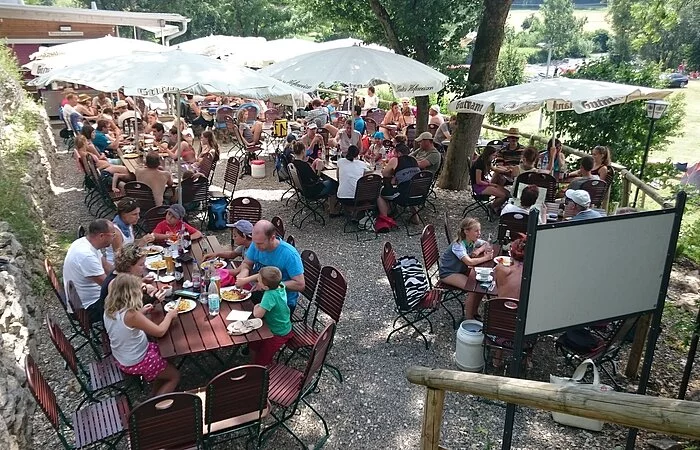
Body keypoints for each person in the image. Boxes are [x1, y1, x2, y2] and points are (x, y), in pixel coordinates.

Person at [103, 273, 180, 395]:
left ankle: (157, 387)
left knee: (169, 352)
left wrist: (141, 312)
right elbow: (160, 332)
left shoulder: (109, 309)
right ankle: (155, 408)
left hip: (123, 356)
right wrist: (170, 316)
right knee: (174, 376)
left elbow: (124, 325)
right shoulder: (132, 315)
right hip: (137, 359)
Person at [232, 220, 305, 312]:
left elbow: (300, 284)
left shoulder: (289, 254)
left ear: (272, 238)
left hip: (281, 302)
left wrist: (269, 285)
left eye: (260, 244)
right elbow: (246, 263)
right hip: (261, 292)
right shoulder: (256, 244)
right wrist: (244, 273)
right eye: (255, 242)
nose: (256, 247)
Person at [235, 266, 294, 366]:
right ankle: (253, 363)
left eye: (259, 281)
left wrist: (257, 306)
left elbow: (257, 314)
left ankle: (261, 370)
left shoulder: (269, 295)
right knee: (253, 343)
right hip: (279, 323)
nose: (257, 282)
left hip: (277, 331)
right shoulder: (280, 285)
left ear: (266, 287)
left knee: (263, 357)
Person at [439, 217, 494, 319]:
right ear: (466, 232)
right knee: (472, 289)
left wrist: (477, 251)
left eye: (479, 230)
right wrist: (486, 258)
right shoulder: (458, 245)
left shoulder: (472, 240)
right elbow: (469, 262)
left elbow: (486, 243)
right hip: (448, 273)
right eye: (476, 231)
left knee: (481, 285)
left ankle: (474, 311)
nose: (479, 233)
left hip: (460, 270)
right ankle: (469, 318)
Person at [62, 219, 115, 322]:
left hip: (87, 300)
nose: (114, 237)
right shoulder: (86, 255)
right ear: (101, 236)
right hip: (87, 309)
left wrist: (127, 274)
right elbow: (109, 286)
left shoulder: (86, 243)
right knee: (130, 300)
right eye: (112, 234)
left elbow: (107, 266)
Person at [105, 198, 156, 265]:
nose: (138, 217)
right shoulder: (116, 232)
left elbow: (130, 242)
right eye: (134, 214)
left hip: (129, 261)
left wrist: (144, 239)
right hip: (117, 266)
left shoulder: (129, 225)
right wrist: (140, 244)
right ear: (123, 214)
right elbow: (120, 257)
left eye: (138, 214)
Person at [291, 142, 339, 212]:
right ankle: (333, 210)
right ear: (303, 151)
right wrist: (319, 170)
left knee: (328, 180)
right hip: (311, 190)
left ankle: (329, 204)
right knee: (334, 183)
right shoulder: (304, 165)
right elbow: (316, 178)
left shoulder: (293, 163)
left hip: (302, 189)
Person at [470, 145, 510, 213]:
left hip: (484, 183)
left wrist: (506, 171)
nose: (494, 157)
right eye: (493, 155)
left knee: (508, 194)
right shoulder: (479, 164)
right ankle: (492, 207)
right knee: (503, 196)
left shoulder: (486, 161)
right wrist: (490, 184)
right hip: (478, 187)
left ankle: (496, 207)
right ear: (488, 155)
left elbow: (495, 169)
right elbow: (478, 181)